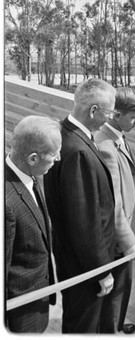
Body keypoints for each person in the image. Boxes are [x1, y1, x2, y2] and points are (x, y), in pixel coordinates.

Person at [44, 78, 117, 333]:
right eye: (109, 112)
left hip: (74, 260)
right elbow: (84, 222)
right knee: (82, 328)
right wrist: (101, 271)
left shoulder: (65, 134)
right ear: (94, 110)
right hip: (84, 268)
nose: (110, 119)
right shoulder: (78, 152)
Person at [5, 115, 62, 333]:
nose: (57, 159)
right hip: (20, 313)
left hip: (36, 298)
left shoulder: (28, 174)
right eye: (53, 155)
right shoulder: (7, 205)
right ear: (33, 158)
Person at [95, 87, 135, 335]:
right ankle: (111, 328)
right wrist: (128, 241)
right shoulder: (106, 146)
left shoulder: (117, 136)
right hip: (118, 240)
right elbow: (113, 202)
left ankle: (116, 320)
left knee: (121, 290)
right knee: (117, 290)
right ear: (116, 114)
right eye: (134, 116)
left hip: (125, 231)